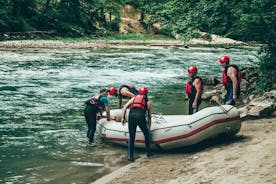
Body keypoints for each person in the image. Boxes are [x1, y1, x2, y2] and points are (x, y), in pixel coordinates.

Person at [121, 86, 154, 162]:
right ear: (146, 94)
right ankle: (148, 152)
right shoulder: (148, 102)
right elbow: (149, 117)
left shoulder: (134, 98)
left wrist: (123, 118)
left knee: (132, 136)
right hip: (140, 116)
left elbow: (125, 107)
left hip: (131, 116)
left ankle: (131, 156)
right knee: (146, 134)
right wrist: (149, 127)